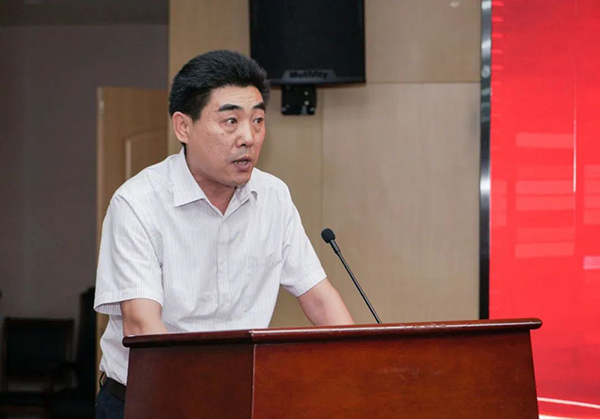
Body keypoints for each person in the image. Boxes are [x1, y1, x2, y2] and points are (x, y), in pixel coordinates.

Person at [93, 50, 353, 419]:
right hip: (147, 400)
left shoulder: (273, 197)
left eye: (258, 120)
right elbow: (142, 326)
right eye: (231, 121)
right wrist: (204, 400)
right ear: (183, 127)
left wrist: (361, 368)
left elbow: (320, 299)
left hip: (237, 400)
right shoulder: (137, 204)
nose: (248, 137)